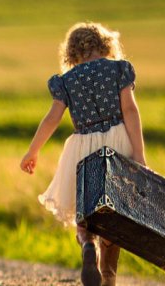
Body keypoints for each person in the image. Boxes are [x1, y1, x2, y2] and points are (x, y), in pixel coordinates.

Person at [19, 22, 147, 286]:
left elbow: (52, 118)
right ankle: (109, 275)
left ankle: (87, 243)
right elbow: (130, 111)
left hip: (82, 148)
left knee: (85, 210)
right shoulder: (118, 70)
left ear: (72, 53)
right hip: (117, 143)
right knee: (114, 211)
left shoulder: (66, 81)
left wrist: (33, 150)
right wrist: (139, 154)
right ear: (106, 45)